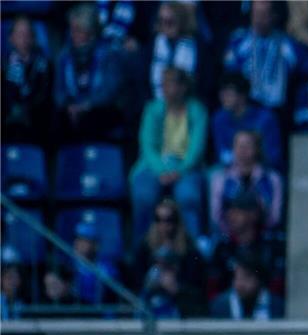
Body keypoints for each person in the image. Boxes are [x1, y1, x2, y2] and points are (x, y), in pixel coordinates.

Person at [129, 67, 208, 240]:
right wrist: (161, 170)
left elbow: (197, 148)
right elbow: (147, 145)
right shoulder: (152, 109)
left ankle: (192, 249)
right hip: (154, 165)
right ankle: (141, 248)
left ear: (183, 87)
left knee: (188, 197)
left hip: (186, 167)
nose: (165, 89)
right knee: (144, 196)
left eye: (170, 84)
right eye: (163, 85)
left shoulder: (197, 110)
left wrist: (179, 170)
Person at [53, 3, 123, 141]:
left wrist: (86, 106)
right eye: (72, 29)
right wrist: (69, 105)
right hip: (71, 110)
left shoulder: (108, 54)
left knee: (97, 118)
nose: (73, 34)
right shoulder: (64, 56)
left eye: (78, 30)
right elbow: (58, 91)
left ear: (91, 32)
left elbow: (109, 91)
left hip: (97, 110)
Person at [208, 130, 284, 236]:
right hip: (229, 234)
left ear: (257, 149)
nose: (242, 150)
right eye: (238, 146)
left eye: (247, 145)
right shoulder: (220, 178)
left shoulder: (272, 178)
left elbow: (275, 216)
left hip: (262, 233)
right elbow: (216, 216)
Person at [130, 198, 205, 295]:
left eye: (168, 220)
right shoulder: (145, 246)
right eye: (158, 219)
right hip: (150, 299)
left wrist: (177, 287)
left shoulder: (189, 248)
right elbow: (136, 278)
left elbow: (195, 282)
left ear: (176, 221)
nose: (163, 224)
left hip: (180, 301)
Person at [211, 72, 282, 169]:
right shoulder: (219, 118)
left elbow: (273, 155)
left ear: (242, 95)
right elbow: (222, 153)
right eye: (222, 94)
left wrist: (251, 166)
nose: (223, 98)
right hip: (231, 169)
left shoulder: (265, 118)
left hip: (262, 168)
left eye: (228, 94)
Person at [2, 16, 53, 145]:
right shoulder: (4, 66)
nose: (23, 38)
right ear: (11, 38)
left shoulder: (44, 65)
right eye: (19, 33)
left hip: (35, 119)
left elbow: (44, 94)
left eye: (27, 34)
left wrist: (26, 109)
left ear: (33, 38)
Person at [209, 253, 282, 320]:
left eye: (246, 277)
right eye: (236, 278)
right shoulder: (220, 305)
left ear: (260, 280)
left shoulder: (277, 305)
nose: (239, 284)